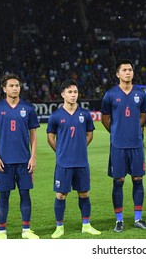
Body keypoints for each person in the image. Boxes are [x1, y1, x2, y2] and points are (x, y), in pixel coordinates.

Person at [0, 73, 40, 239]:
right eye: (11, 85)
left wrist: (33, 157)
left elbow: (33, 135)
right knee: (4, 195)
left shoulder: (28, 108)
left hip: (24, 161)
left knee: (25, 194)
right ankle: (2, 232)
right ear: (4, 88)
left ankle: (26, 230)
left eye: (17, 85)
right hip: (4, 161)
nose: (15, 88)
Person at [47, 79, 101, 238]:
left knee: (84, 193)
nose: (73, 95)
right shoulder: (56, 116)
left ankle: (86, 225)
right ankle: (59, 227)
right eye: (70, 92)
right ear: (63, 94)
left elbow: (90, 134)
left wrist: (81, 147)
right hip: (64, 163)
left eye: (75, 92)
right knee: (61, 195)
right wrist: (61, 151)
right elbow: (50, 138)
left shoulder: (84, 114)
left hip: (81, 162)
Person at [101, 59, 146, 232]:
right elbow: (105, 118)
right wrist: (116, 131)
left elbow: (144, 114)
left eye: (130, 70)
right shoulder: (110, 94)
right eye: (124, 70)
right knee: (118, 181)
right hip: (118, 145)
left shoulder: (140, 94)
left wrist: (136, 128)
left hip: (136, 144)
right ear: (118, 74)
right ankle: (119, 220)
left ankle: (138, 218)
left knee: (138, 180)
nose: (128, 72)